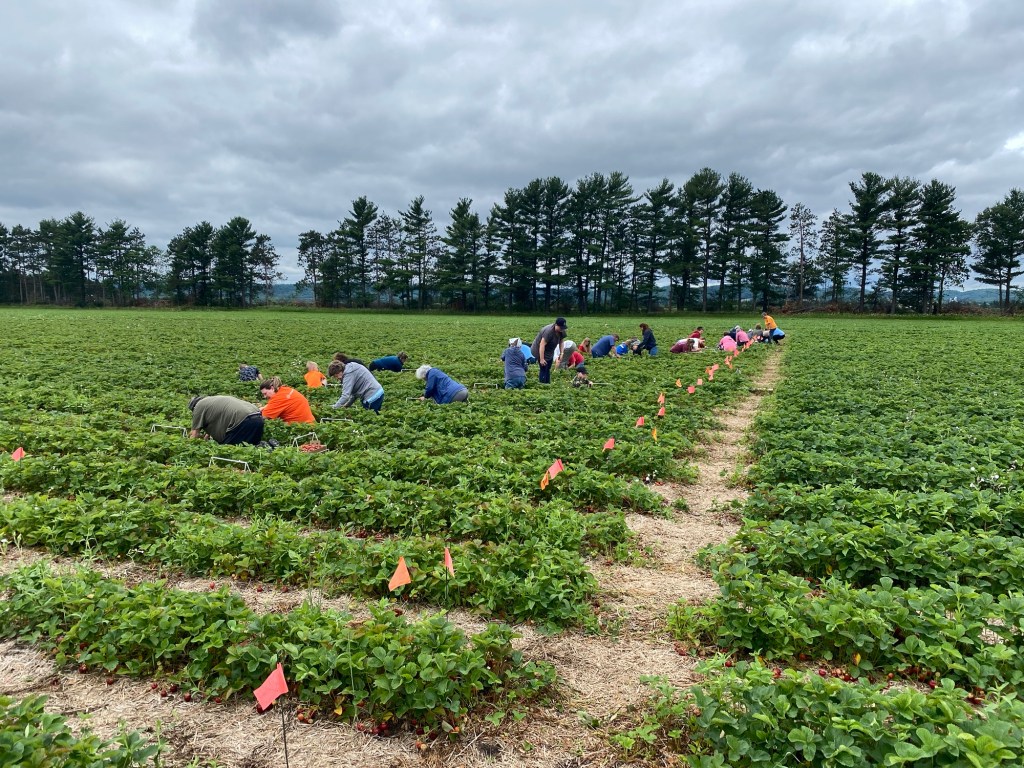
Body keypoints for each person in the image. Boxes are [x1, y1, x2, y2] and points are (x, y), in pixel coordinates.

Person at [188, 395, 264, 445]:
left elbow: (194, 434)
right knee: (252, 445)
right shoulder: (212, 401)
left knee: (229, 448)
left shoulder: (198, 406)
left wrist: (188, 447)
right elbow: (214, 424)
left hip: (242, 419)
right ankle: (268, 447)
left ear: (193, 408)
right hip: (258, 416)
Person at [531, 317, 567, 384]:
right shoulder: (548, 331)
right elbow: (542, 345)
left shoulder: (561, 331)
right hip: (539, 350)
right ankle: (542, 385)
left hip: (549, 351)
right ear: (556, 325)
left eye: (563, 327)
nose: (562, 329)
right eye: (561, 327)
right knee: (544, 368)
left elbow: (561, 342)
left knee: (548, 368)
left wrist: (561, 353)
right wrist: (542, 359)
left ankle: (547, 384)